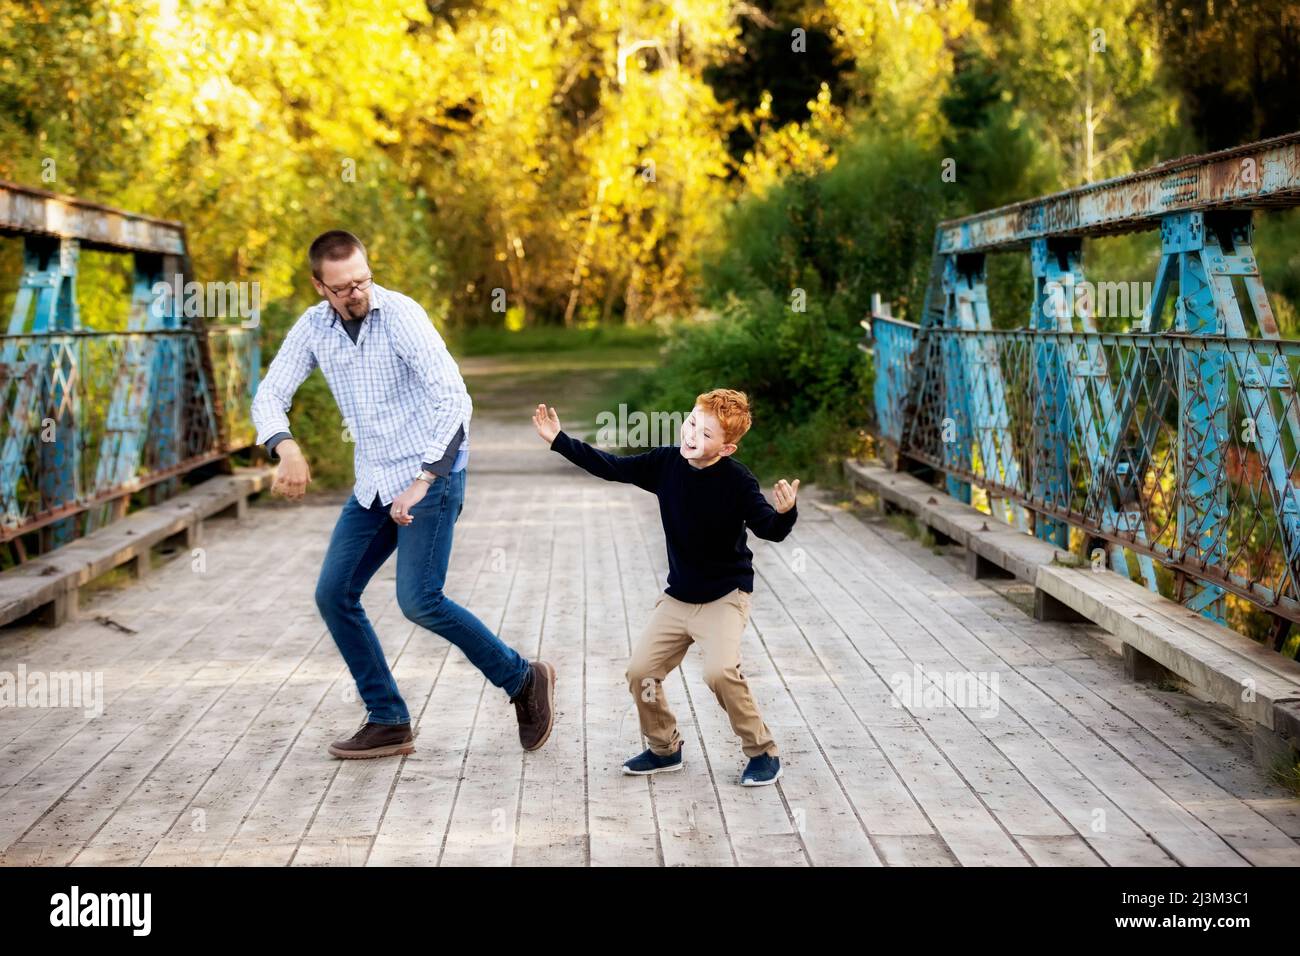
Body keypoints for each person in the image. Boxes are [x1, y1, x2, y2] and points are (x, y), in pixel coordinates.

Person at [252, 230, 555, 759]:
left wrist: (421, 481)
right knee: (333, 594)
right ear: (320, 286)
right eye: (343, 287)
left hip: (431, 477)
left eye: (363, 280)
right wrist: (286, 448)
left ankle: (523, 679)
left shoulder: (402, 316)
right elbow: (271, 394)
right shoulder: (314, 327)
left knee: (419, 600)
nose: (357, 293)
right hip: (372, 483)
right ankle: (388, 718)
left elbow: (454, 401)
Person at [533, 389, 798, 786]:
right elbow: (612, 467)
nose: (692, 436)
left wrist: (786, 512)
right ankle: (664, 748)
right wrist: (560, 441)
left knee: (720, 672)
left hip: (725, 597)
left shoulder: (738, 481)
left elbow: (769, 529)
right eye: (691, 423)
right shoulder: (665, 463)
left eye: (706, 434)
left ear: (726, 448)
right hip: (679, 597)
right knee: (642, 673)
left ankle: (762, 751)